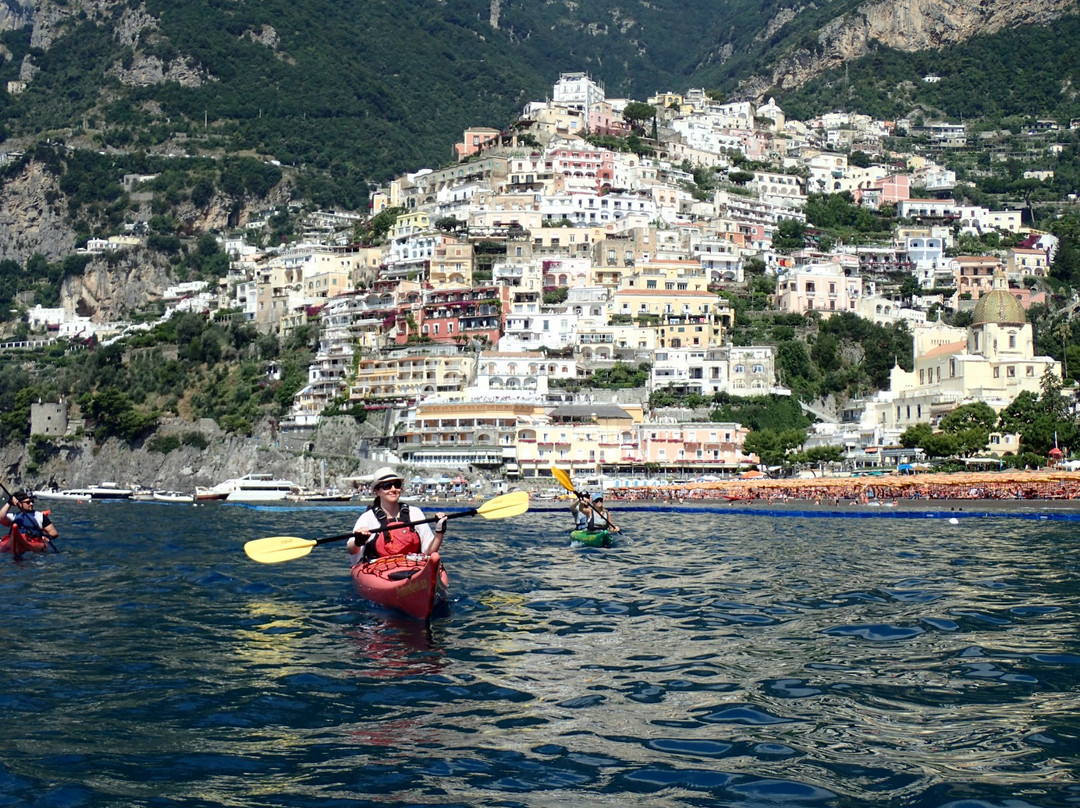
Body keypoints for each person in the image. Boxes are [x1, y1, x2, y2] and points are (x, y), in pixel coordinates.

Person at [347, 468, 447, 565]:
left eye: (397, 485)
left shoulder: (415, 513)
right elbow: (351, 549)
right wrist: (358, 541)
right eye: (387, 486)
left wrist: (439, 532)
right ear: (377, 491)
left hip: (412, 566)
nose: (393, 489)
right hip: (378, 571)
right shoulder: (367, 518)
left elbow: (429, 551)